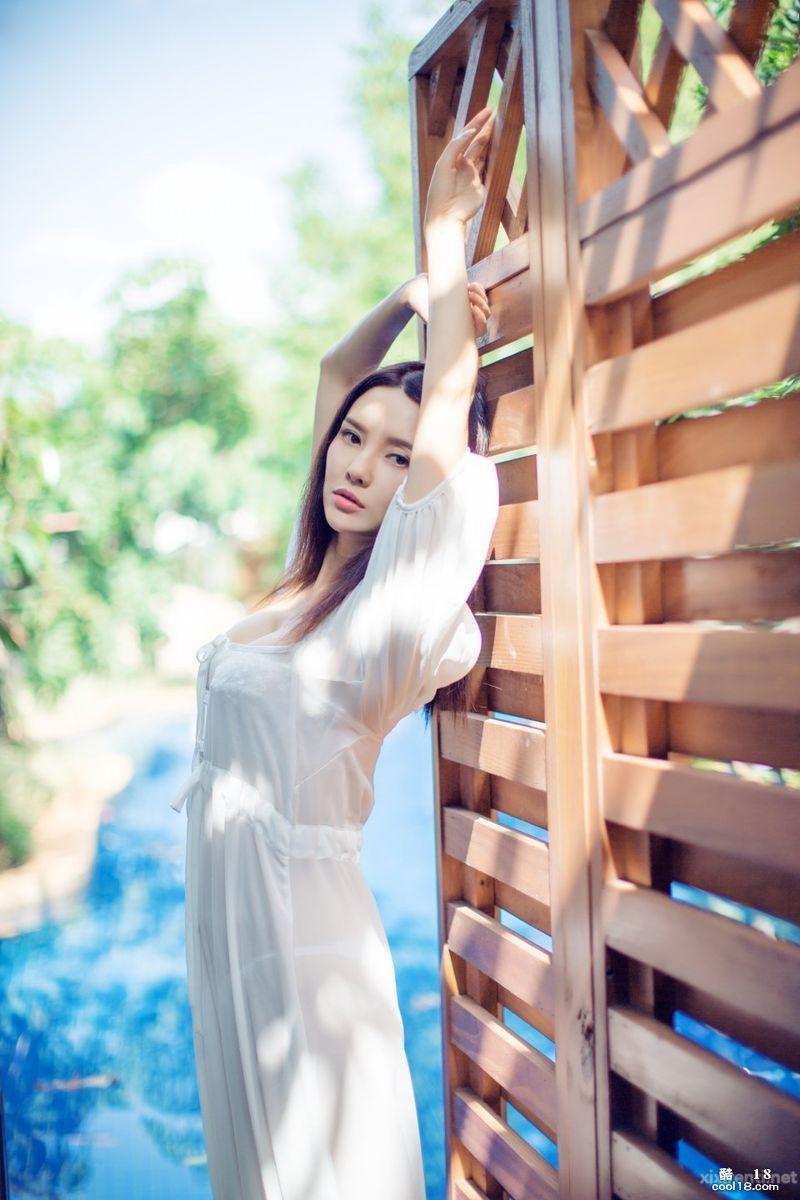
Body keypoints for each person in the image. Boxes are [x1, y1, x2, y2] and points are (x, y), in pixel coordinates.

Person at [171, 106, 500, 1200]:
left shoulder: (385, 620)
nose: (356, 464)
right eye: (352, 439)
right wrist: (409, 297)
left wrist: (446, 238)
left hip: (303, 945)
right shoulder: (300, 583)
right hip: (234, 936)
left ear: (420, 487)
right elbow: (334, 369)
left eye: (393, 457)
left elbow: (446, 407)